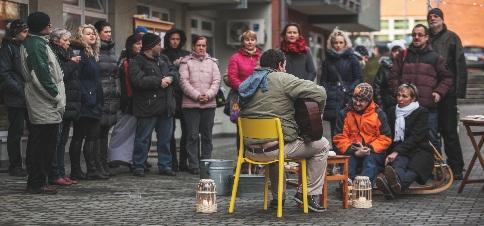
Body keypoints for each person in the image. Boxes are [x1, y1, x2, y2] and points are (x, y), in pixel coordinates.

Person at [239, 49, 329, 212]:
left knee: (276, 144)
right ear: (280, 65)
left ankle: (278, 198)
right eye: (284, 66)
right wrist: (318, 114)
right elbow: (320, 92)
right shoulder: (283, 78)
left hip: (250, 150)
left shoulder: (249, 81)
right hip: (275, 149)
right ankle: (307, 195)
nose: (285, 69)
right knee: (322, 145)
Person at [20, 12, 66, 194]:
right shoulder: (35, 44)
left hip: (44, 101)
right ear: (41, 26)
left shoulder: (37, 43)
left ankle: (40, 180)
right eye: (48, 24)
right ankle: (37, 183)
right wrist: (56, 96)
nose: (50, 27)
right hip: (44, 102)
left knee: (43, 143)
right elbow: (40, 75)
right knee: (42, 144)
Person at [389, 24, 453, 149]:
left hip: (428, 107)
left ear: (427, 37)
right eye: (414, 35)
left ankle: (436, 168)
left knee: (432, 140)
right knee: (405, 139)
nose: (416, 37)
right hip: (405, 108)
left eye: (420, 35)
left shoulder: (435, 57)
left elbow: (447, 77)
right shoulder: (403, 55)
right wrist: (399, 92)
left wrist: (439, 92)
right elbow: (392, 76)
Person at [129, 33, 178, 177]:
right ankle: (138, 166)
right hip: (147, 107)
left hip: (165, 106)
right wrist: (159, 82)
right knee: (142, 138)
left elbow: (174, 71)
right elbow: (137, 81)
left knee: (165, 139)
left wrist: (170, 77)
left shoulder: (163, 59)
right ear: (150, 47)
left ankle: (165, 166)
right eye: (158, 44)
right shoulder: (136, 61)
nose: (160, 47)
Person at [428, 8, 467, 180]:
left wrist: (459, 90)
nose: (433, 19)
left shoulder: (452, 37)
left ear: (442, 19)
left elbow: (460, 64)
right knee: (429, 132)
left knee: (449, 131)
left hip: (447, 92)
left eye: (436, 16)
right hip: (428, 92)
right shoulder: (425, 38)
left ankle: (456, 167)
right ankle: (433, 168)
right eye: (430, 17)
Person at [376, 84, 434, 199]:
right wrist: (389, 152)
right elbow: (389, 134)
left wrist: (396, 152)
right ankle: (395, 188)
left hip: (420, 149)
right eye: (398, 95)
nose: (400, 99)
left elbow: (417, 137)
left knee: (415, 167)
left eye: (404, 96)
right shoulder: (392, 111)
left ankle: (391, 188)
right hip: (400, 149)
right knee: (397, 167)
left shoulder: (421, 112)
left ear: (413, 99)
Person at [332, 83, 392, 185]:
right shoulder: (344, 113)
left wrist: (369, 148)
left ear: (369, 101)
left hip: (372, 152)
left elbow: (386, 138)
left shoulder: (378, 114)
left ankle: (363, 186)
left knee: (370, 162)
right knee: (349, 161)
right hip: (352, 150)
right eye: (356, 99)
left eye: (362, 101)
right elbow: (339, 138)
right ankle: (347, 184)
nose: (358, 103)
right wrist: (353, 150)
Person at [69, 24, 107, 180]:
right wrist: (87, 97)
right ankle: (76, 170)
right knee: (79, 136)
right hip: (84, 102)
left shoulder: (92, 53)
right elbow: (76, 78)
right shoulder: (80, 53)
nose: (92, 36)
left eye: (93, 34)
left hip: (95, 102)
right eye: (88, 34)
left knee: (92, 137)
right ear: (81, 36)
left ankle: (92, 169)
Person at [178, 35, 221, 175]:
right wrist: (197, 96)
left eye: (203, 45)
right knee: (192, 136)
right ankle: (194, 165)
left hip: (209, 105)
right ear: (193, 47)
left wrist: (208, 95)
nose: (201, 48)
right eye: (198, 45)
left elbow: (216, 81)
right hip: (191, 105)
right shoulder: (185, 62)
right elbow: (183, 82)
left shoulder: (212, 63)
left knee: (207, 136)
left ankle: (206, 163)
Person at [48, 28, 81, 186]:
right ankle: (55, 174)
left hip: (70, 102)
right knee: (57, 140)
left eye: (69, 40)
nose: (69, 42)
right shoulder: (54, 53)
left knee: (62, 141)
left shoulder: (68, 53)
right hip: (60, 101)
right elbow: (60, 75)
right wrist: (72, 63)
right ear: (56, 40)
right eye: (65, 39)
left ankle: (61, 172)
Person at [319, 27, 363, 138]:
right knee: (335, 131)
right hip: (332, 98)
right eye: (335, 43)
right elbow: (323, 80)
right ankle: (337, 153)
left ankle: (348, 154)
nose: (338, 45)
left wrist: (349, 90)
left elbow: (359, 79)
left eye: (340, 42)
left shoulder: (352, 59)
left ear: (345, 43)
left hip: (347, 98)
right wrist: (328, 91)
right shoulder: (327, 60)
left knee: (350, 128)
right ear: (331, 44)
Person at [108, 34, 142, 168]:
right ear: (131, 45)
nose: (140, 46)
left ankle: (130, 159)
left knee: (135, 133)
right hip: (127, 101)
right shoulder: (125, 61)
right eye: (137, 44)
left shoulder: (137, 59)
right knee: (121, 130)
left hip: (137, 102)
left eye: (141, 44)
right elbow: (122, 83)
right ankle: (115, 157)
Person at [0, 19, 28, 177]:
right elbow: (4, 74)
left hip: (27, 96)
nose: (27, 34)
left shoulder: (23, 47)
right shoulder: (8, 48)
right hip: (15, 97)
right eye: (24, 31)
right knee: (16, 132)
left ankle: (30, 163)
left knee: (32, 131)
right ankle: (15, 165)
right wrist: (20, 90)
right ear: (15, 33)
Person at [226, 30, 261, 156]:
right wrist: (244, 88)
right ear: (242, 42)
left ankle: (257, 161)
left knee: (257, 130)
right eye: (247, 39)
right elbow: (232, 77)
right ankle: (242, 160)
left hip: (258, 98)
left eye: (252, 39)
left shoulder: (261, 57)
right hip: (240, 97)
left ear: (256, 41)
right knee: (242, 130)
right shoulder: (235, 58)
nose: (250, 42)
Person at [162, 28, 190, 172]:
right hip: (170, 95)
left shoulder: (186, 55)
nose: (175, 42)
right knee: (169, 131)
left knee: (187, 130)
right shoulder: (162, 54)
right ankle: (172, 161)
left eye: (177, 39)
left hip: (184, 96)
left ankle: (184, 161)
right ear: (168, 39)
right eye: (172, 39)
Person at [94, 20, 120, 177]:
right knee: (95, 134)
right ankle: (96, 166)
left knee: (104, 133)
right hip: (99, 96)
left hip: (111, 97)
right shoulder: (94, 50)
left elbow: (115, 74)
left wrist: (117, 91)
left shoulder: (111, 50)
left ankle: (103, 163)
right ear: (98, 33)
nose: (109, 34)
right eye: (106, 31)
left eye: (110, 31)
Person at [373, 45, 404, 116]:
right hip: (386, 104)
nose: (396, 53)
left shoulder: (405, 67)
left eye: (399, 51)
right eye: (394, 51)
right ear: (391, 52)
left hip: (401, 104)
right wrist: (380, 104)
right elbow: (376, 86)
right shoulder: (384, 68)